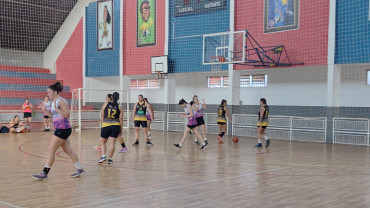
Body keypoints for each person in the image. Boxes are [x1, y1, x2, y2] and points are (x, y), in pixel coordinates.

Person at [32, 82, 86, 180]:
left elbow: (66, 115)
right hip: (60, 129)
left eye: (49, 92)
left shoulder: (61, 101)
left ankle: (44, 173)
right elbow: (54, 116)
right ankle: (80, 169)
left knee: (51, 150)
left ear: (55, 92)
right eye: (47, 93)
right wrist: (45, 110)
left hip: (63, 129)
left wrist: (57, 108)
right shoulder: (53, 102)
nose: (48, 94)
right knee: (68, 151)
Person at [98, 92, 124, 164]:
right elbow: (121, 119)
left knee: (103, 142)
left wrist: (102, 124)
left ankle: (103, 156)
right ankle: (110, 158)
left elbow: (102, 116)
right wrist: (121, 129)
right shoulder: (120, 106)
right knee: (112, 143)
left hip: (106, 125)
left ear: (111, 97)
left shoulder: (105, 104)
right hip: (116, 126)